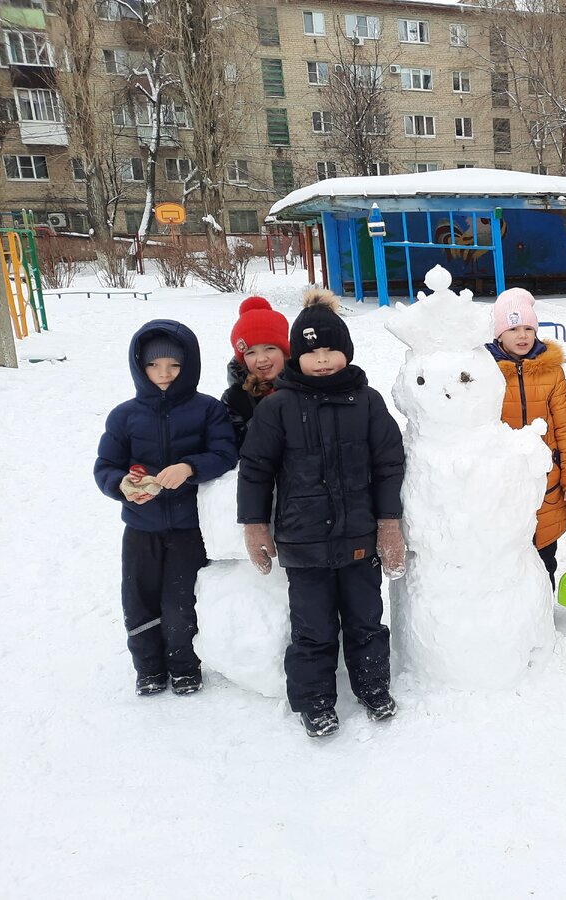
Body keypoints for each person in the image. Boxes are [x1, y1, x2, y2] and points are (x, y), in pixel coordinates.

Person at [238, 288, 407, 738]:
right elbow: (256, 469)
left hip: (358, 539)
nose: (324, 360)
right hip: (304, 544)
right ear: (299, 357)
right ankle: (314, 701)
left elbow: (390, 462)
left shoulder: (367, 402)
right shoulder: (277, 407)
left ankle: (373, 687)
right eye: (313, 352)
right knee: (312, 629)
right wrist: (255, 525)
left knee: (366, 622)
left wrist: (389, 524)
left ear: (347, 353)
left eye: (333, 349)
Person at [94, 320, 238, 697]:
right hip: (141, 527)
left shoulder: (207, 410)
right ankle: (148, 667)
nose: (164, 374)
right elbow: (106, 466)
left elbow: (224, 453)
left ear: (187, 366)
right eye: (155, 366)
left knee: (181, 598)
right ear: (140, 366)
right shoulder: (124, 416)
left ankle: (184, 664)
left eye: (173, 366)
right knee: (138, 598)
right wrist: (121, 485)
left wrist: (190, 467)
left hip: (190, 527)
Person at [486, 287, 566, 582]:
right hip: (503, 481)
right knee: (506, 554)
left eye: (528, 328)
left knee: (544, 552)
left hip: (546, 478)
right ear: (499, 334)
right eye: (513, 328)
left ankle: (540, 615)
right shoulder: (485, 371)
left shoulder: (551, 372)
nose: (522, 335)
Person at [221, 296, 290, 447]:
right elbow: (234, 444)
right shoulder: (235, 398)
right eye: (251, 353)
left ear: (285, 352)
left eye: (270, 349)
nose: (261, 359)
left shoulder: (303, 386)